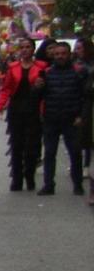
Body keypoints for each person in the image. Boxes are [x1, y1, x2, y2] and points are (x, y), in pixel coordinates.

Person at [0, 36, 44, 191]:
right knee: (16, 145)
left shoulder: (42, 67)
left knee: (32, 147)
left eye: (28, 47)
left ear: (33, 49)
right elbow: (6, 89)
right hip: (16, 110)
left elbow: (46, 91)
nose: (25, 50)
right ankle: (17, 178)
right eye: (22, 47)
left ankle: (29, 175)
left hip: (34, 111)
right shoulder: (13, 68)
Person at [36, 35, 86, 195]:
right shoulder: (47, 73)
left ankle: (77, 184)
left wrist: (81, 116)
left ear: (69, 54)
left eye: (63, 53)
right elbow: (38, 95)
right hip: (51, 118)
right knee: (49, 153)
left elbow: (85, 97)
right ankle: (48, 184)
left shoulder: (79, 72)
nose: (60, 56)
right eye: (57, 54)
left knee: (75, 153)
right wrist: (37, 88)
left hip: (71, 119)